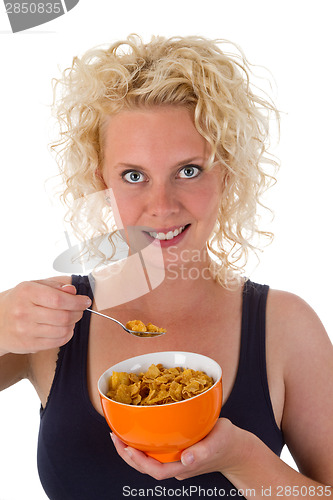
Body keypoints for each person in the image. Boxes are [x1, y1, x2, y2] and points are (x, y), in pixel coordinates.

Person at [0, 34, 332, 500]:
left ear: (227, 172)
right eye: (133, 176)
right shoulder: (53, 319)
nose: (161, 206)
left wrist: (243, 459)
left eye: (189, 170)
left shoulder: (286, 326)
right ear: (102, 182)